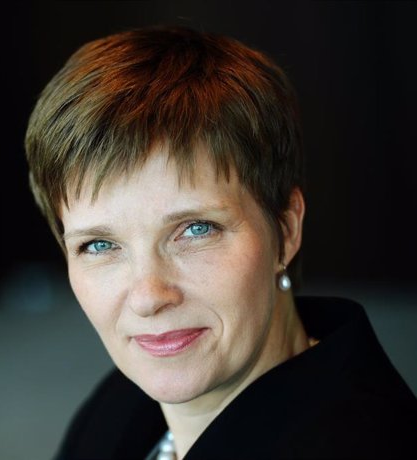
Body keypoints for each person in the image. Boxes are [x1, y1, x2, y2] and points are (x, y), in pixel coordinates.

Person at [24, 25, 417, 460]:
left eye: (195, 229)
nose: (148, 297)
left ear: (285, 230)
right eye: (99, 245)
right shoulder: (118, 407)